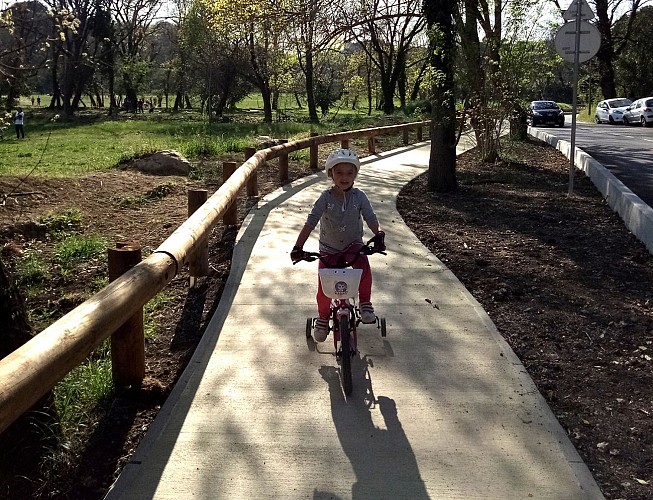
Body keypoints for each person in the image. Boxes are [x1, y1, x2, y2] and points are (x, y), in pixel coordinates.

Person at [291, 148, 385, 342]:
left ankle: (365, 303)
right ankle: (323, 318)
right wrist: (298, 247)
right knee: (324, 287)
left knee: (363, 268)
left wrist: (379, 234)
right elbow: (311, 222)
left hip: (353, 245)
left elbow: (370, 217)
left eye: (350, 173)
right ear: (330, 174)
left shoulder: (359, 196)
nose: (344, 177)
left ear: (356, 175)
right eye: (339, 172)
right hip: (329, 249)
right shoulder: (325, 198)